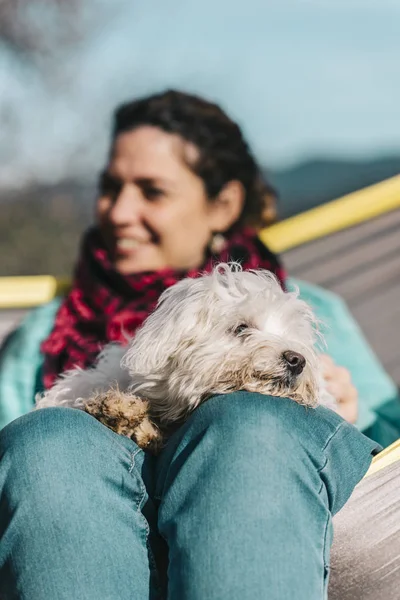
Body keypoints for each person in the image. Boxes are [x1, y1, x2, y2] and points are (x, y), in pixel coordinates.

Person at [0, 90, 390, 599]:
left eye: (152, 191)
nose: (119, 211)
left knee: (249, 424)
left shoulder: (315, 310)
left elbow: (391, 475)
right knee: (49, 441)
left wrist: (350, 413)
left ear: (223, 204)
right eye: (111, 188)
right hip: (88, 530)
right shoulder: (47, 329)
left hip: (272, 499)